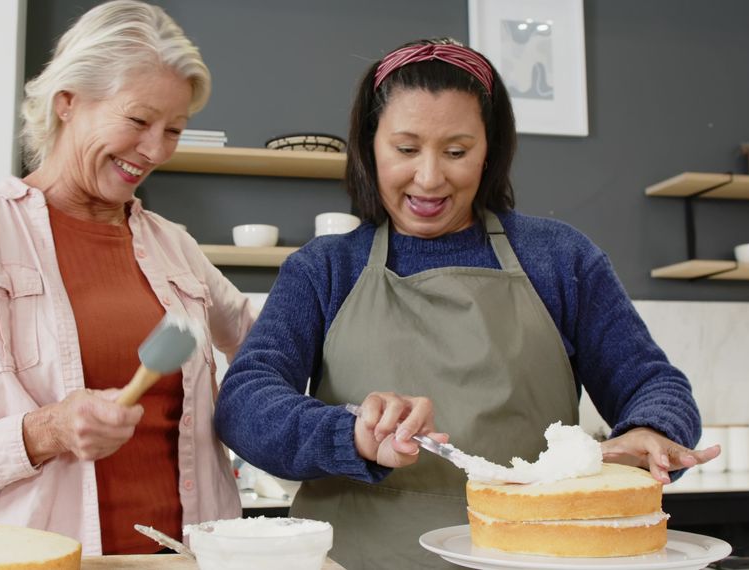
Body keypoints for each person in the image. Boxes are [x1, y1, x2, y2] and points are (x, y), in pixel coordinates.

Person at [214, 38, 720, 569]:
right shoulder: (325, 268)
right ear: (369, 146)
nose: (430, 177)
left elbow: (653, 383)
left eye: (456, 152)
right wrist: (352, 434)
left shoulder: (559, 258)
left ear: (489, 151)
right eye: (406, 149)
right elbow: (245, 402)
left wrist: (654, 429)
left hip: (530, 556)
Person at [0, 1, 256, 556]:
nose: (156, 150)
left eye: (173, 130)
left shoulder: (176, 249)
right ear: (67, 102)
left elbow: (265, 341)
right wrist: (42, 432)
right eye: (138, 121)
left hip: (188, 559)